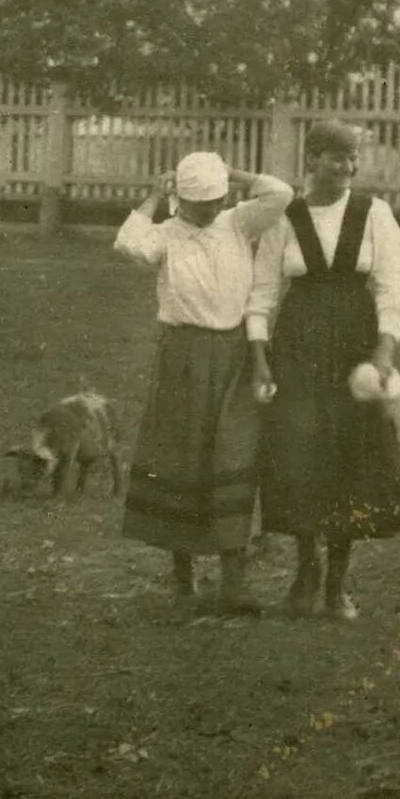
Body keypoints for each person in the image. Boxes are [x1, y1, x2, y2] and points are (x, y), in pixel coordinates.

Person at [244, 121, 400, 620]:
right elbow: (262, 294)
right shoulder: (285, 217)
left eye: (353, 158)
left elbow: (392, 288)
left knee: (350, 457)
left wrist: (383, 353)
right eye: (337, 157)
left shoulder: (373, 213)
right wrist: (259, 359)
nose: (348, 167)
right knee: (300, 454)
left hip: (354, 346)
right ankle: (305, 570)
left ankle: (338, 582)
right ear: (312, 159)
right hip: (297, 348)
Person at [112, 153, 293, 613]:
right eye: (199, 201)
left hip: (234, 354)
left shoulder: (238, 223)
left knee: (234, 452)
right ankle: (184, 579)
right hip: (184, 356)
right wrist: (156, 194)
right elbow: (127, 244)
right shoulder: (167, 235)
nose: (209, 208)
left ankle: (234, 580)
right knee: (181, 458)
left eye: (216, 199)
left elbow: (281, 193)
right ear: (180, 200)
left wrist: (229, 174)